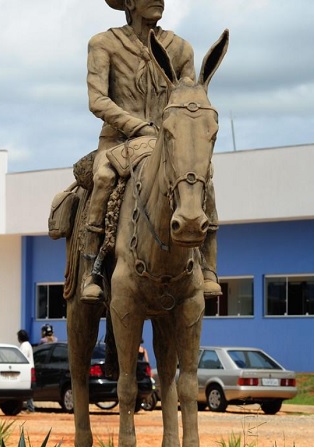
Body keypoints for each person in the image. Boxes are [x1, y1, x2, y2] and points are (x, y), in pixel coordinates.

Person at [80, 0, 221, 303]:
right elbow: (98, 101)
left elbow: (187, 98)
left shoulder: (181, 49)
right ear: (129, 2)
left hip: (165, 143)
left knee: (203, 178)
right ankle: (91, 268)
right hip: (118, 141)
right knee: (104, 177)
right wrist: (138, 126)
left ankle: (208, 267)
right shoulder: (104, 44)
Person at [17, 329, 35, 413]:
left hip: (25, 370)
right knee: (28, 388)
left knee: (25, 388)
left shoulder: (24, 346)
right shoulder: (28, 345)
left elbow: (22, 358)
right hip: (29, 369)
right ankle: (29, 407)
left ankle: (30, 407)